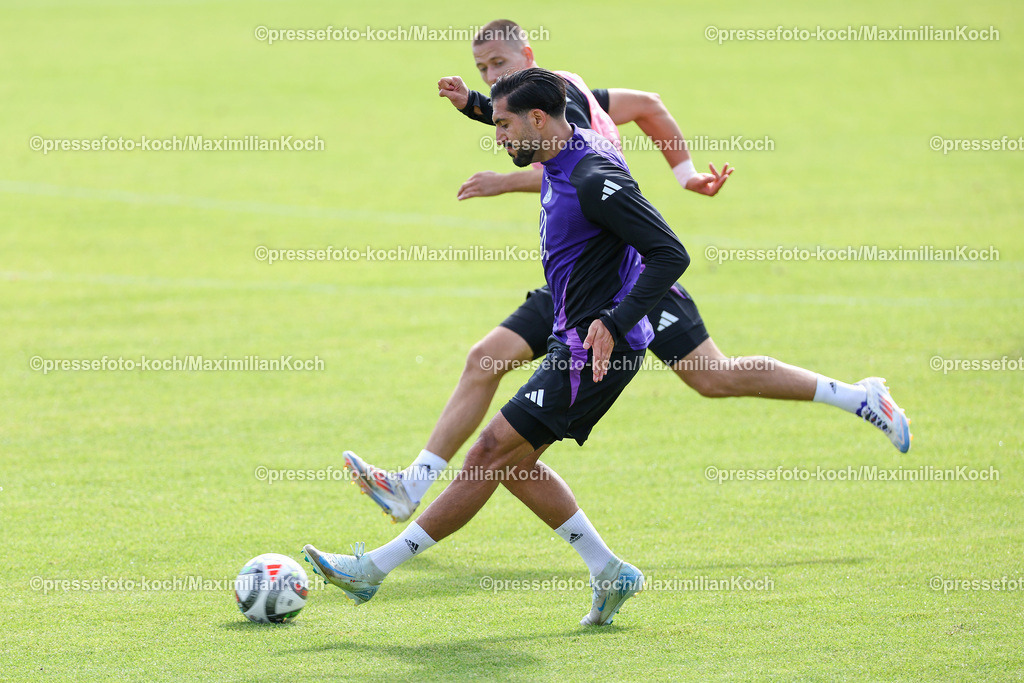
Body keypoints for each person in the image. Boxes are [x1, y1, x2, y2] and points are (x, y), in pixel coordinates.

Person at [344, 19, 912, 525]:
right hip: (575, 281)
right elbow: (637, 109)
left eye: (499, 66)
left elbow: (574, 160)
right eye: (482, 70)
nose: (492, 78)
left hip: (625, 280)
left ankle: (857, 396)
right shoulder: (542, 103)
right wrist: (686, 173)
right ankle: (410, 485)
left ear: (530, 60)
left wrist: (503, 178)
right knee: (484, 359)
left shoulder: (567, 100)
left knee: (713, 376)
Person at [305, 68, 691, 626]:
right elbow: (518, 118)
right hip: (571, 334)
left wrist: (614, 319)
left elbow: (669, 253)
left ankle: (373, 571)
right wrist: (473, 105)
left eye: (505, 125)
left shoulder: (594, 177)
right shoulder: (559, 142)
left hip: (595, 349)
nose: (499, 136)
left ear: (539, 120)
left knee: (489, 452)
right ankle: (609, 571)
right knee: (514, 463)